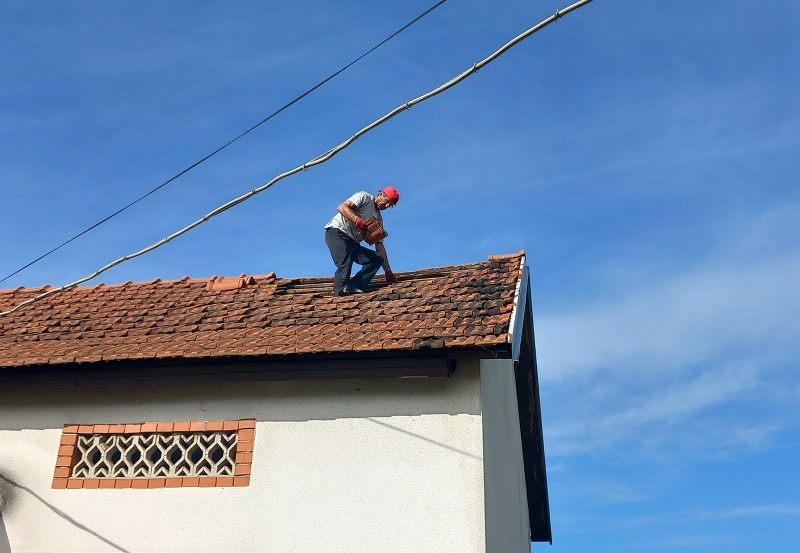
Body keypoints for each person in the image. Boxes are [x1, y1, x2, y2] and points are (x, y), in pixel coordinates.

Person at [324, 186, 399, 296]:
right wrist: (357, 220)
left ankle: (354, 285)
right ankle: (339, 294)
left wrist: (388, 271)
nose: (387, 206)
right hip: (337, 233)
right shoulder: (364, 197)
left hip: (352, 242)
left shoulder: (378, 219)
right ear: (381, 194)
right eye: (387, 201)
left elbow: (379, 246)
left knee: (376, 259)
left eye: (390, 205)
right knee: (345, 264)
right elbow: (341, 207)